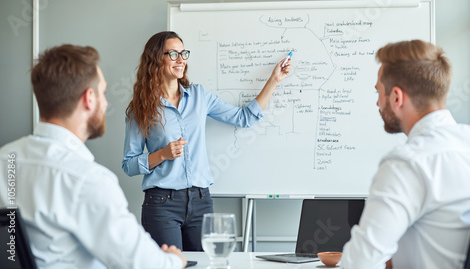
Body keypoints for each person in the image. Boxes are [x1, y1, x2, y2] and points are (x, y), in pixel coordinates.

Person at [0, 45, 187, 269]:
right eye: (103, 93)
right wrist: (175, 259)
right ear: (89, 98)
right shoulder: (87, 179)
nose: (106, 103)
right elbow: (147, 265)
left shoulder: (5, 160)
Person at [122, 31, 291, 251]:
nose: (181, 59)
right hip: (161, 204)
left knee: (208, 264)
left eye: (183, 53)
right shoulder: (141, 108)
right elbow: (128, 164)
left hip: (201, 201)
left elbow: (244, 118)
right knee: (170, 266)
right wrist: (162, 154)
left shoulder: (199, 96)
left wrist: (274, 80)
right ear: (155, 59)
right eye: (173, 54)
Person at [340, 40, 470, 269]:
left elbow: (359, 264)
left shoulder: (407, 164)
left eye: (379, 92)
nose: (377, 102)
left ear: (396, 97)